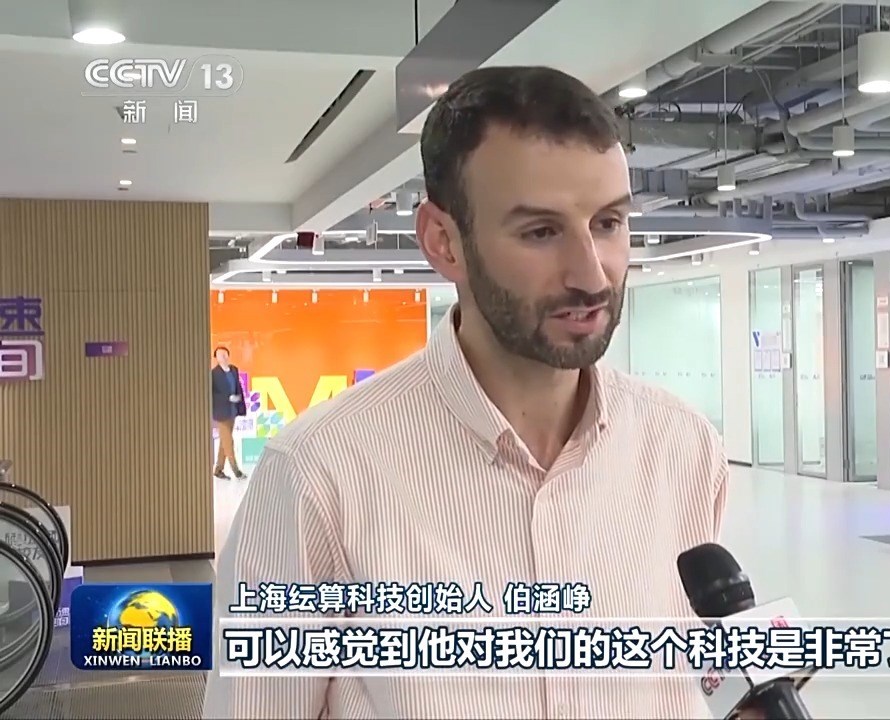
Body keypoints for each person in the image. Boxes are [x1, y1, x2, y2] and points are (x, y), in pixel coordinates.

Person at [203, 66, 729, 719]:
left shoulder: (683, 447)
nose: (592, 275)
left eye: (608, 223)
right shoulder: (317, 475)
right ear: (443, 242)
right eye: (541, 231)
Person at [210, 346, 247, 480]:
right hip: (221, 412)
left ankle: (218, 469)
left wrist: (239, 401)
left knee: (224, 442)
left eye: (225, 354)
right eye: (220, 355)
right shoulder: (213, 374)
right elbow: (212, 394)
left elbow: (238, 387)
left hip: (233, 411)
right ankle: (236, 470)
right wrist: (227, 398)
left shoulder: (233, 370)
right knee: (228, 442)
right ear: (216, 358)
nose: (223, 356)